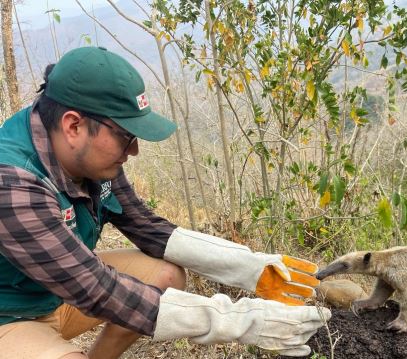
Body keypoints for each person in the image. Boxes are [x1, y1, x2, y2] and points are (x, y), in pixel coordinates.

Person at [0, 46, 331, 359]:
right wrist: (240, 320)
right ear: (74, 125)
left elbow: (146, 227)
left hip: (51, 295)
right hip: (8, 314)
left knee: (165, 274)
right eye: (126, 136)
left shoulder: (88, 159)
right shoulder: (13, 183)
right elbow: (94, 288)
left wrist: (254, 268)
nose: (133, 151)